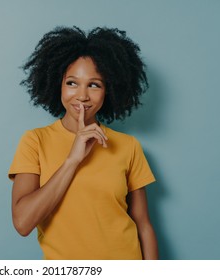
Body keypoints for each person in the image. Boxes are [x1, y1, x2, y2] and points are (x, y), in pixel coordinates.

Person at [8, 26, 158, 260]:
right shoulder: (35, 141)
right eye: (72, 83)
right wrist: (73, 160)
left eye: (94, 84)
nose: (82, 95)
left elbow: (144, 225)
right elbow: (23, 223)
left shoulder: (128, 146)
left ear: (108, 90)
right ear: (57, 84)